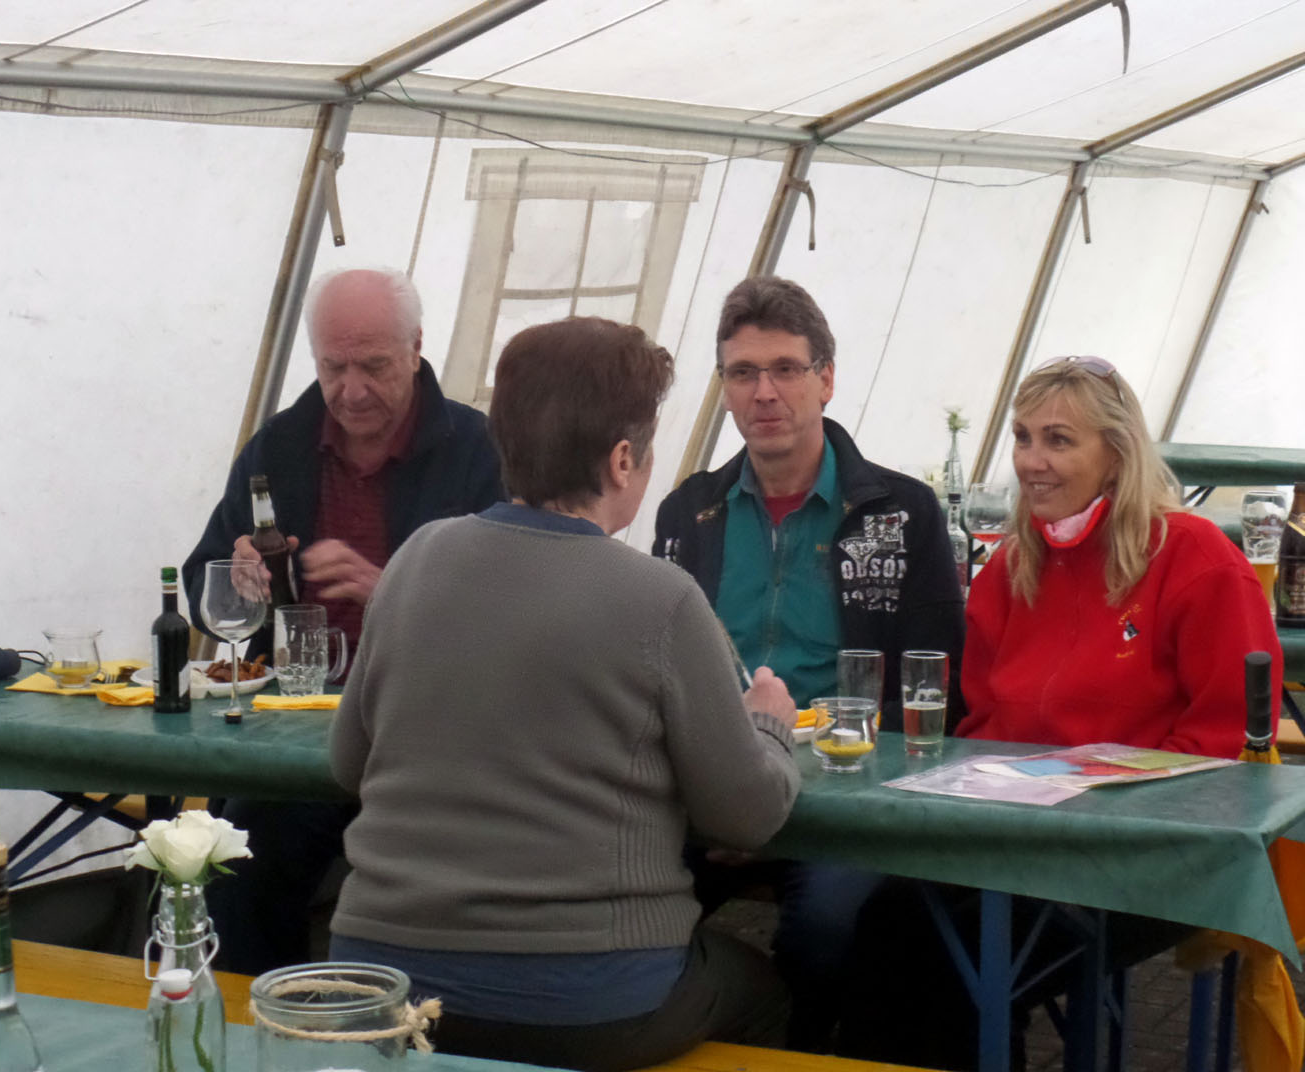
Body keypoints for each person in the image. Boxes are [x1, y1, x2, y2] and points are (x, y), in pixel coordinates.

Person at [328, 317, 802, 1072]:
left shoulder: (416, 559)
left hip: (381, 982)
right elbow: (745, 813)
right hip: (584, 995)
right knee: (766, 989)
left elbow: (349, 764)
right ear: (622, 460)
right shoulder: (661, 598)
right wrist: (770, 727)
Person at [837, 355, 1283, 1070]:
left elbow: (1223, 745)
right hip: (1011, 842)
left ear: (1117, 453)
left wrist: (1083, 795)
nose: (1032, 461)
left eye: (1058, 440)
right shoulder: (1014, 565)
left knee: (951, 967)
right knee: (875, 933)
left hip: (1146, 855)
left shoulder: (1195, 557)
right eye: (1022, 437)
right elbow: (980, 727)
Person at [652, 276, 965, 1050]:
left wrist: (787, 798)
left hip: (848, 794)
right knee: (620, 903)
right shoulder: (690, 511)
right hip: (712, 784)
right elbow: (655, 678)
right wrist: (726, 794)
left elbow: (935, 688)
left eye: (786, 369)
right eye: (742, 372)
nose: (764, 392)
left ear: (826, 379)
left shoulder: (902, 512)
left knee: (826, 928)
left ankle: (799, 1046)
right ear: (724, 387)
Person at [182, 267, 502, 974]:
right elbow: (201, 571)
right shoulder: (278, 447)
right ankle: (262, 1017)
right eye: (333, 367)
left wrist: (393, 589)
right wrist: (236, 573)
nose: (351, 390)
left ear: (416, 349)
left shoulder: (480, 451)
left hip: (432, 733)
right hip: (295, 728)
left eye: (374, 366)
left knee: (429, 884)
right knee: (240, 859)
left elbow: (519, 611)